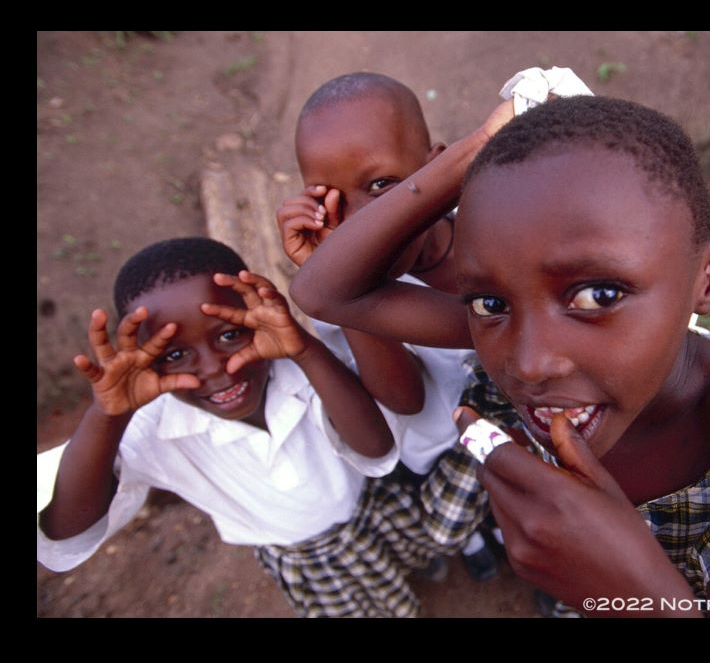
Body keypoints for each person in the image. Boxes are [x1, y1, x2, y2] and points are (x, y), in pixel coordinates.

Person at [290, 95, 710, 617]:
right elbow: (325, 292)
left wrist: (645, 600)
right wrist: (469, 156)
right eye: (489, 300)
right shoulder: (525, 335)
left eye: (599, 295)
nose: (529, 366)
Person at [36, 237, 485, 617]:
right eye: (174, 354)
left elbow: (375, 445)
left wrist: (305, 349)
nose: (217, 369)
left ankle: (424, 565)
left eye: (230, 333)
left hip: (374, 509)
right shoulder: (149, 427)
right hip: (308, 562)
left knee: (423, 544)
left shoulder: (299, 371)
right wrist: (107, 415)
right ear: (143, 359)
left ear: (258, 312)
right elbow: (66, 529)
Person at [278, 72, 507, 581]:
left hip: (522, 419)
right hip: (439, 445)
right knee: (459, 519)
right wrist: (347, 289)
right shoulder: (332, 288)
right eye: (330, 196)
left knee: (524, 507)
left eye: (382, 186)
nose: (360, 221)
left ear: (438, 167)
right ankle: (477, 538)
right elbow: (405, 400)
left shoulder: (498, 231)